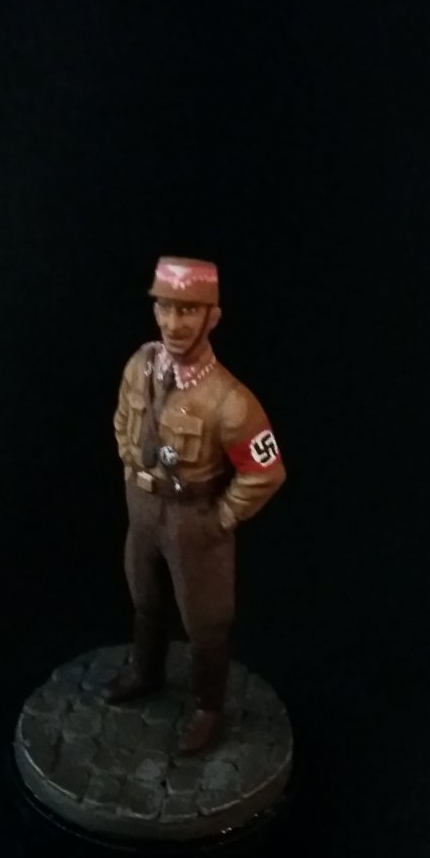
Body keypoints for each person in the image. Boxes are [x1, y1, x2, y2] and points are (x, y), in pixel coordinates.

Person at [103, 256, 286, 754]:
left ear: (213, 317)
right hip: (142, 508)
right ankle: (145, 671)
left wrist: (222, 518)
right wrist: (131, 467)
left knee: (205, 619)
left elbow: (266, 471)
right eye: (165, 307)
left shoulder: (230, 401)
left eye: (188, 310)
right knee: (144, 596)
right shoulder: (140, 368)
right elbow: (121, 421)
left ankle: (208, 707)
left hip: (193, 520)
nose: (173, 323)